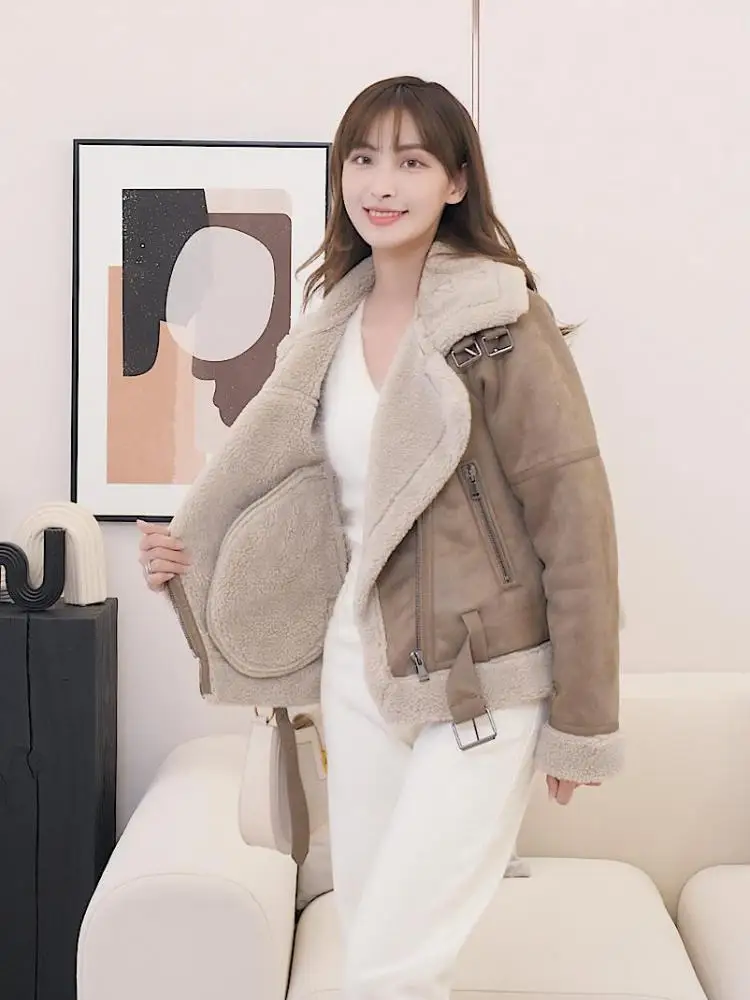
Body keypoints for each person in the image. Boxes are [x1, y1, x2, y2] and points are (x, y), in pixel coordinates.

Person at [137, 75, 621, 1000]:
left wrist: (582, 720)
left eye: (411, 160)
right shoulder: (324, 334)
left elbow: (578, 524)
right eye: (362, 158)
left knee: (390, 962)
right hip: (357, 669)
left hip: (484, 679)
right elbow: (303, 509)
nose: (381, 182)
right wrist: (192, 552)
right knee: (375, 938)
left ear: (456, 181)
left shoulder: (501, 325)